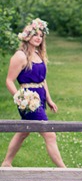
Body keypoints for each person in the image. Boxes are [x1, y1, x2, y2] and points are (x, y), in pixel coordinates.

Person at [1, 18, 66, 168]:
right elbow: (9, 81)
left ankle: (6, 163)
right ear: (27, 36)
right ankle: (64, 169)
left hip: (40, 97)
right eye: (35, 34)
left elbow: (43, 80)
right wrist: (21, 98)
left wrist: (49, 99)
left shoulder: (38, 54)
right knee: (49, 134)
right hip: (28, 101)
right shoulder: (20, 56)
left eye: (41, 35)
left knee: (24, 131)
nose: (38, 37)